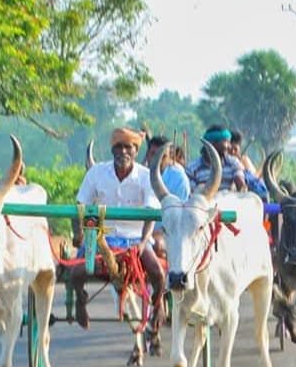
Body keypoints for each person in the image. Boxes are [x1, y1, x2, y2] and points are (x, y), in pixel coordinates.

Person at [72, 126, 165, 334]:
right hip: (100, 240)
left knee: (158, 274)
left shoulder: (145, 176)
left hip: (134, 241)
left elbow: (151, 213)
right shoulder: (96, 173)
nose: (123, 152)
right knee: (76, 273)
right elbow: (79, 206)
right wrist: (79, 234)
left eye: (128, 147)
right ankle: (80, 300)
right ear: (112, 150)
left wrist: (143, 242)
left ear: (135, 151)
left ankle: (158, 305)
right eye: (119, 147)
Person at [185, 125, 247, 192]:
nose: (229, 147)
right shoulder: (192, 168)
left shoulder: (233, 163)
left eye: (229, 142)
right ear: (212, 144)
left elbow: (241, 187)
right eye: (226, 142)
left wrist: (241, 184)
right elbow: (193, 195)